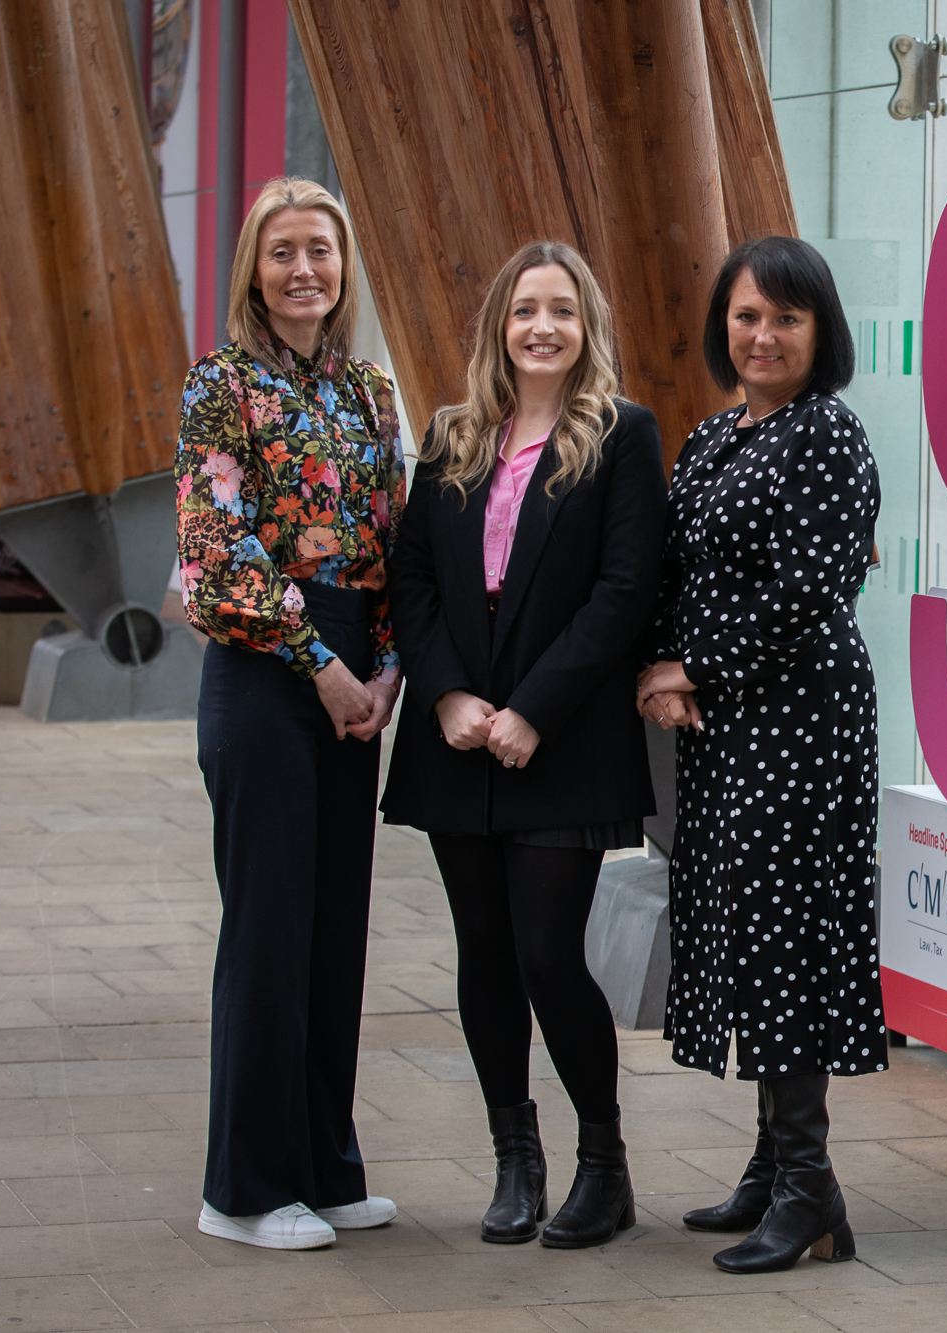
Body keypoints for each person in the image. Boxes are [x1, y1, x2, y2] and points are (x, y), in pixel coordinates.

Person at [382, 241, 665, 1249]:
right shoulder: (454, 436)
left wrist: (534, 707)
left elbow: (626, 588)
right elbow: (409, 577)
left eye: (562, 310)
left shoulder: (621, 435)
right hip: (458, 737)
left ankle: (603, 1165)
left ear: (585, 326)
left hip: (566, 738)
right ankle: (514, 1157)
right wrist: (449, 693)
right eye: (523, 310)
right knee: (484, 954)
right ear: (497, 325)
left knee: (550, 952)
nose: (541, 326)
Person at [639, 236, 885, 1274]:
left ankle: (806, 1188)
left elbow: (805, 592)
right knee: (744, 923)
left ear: (819, 332)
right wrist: (663, 660)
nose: (763, 334)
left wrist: (689, 666)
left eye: (785, 317)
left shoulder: (828, 435)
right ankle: (771, 1163)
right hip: (728, 721)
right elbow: (673, 568)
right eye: (746, 315)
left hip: (798, 717)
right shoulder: (711, 438)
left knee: (785, 929)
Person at [178, 177, 403, 1250]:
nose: (303, 268)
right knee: (267, 931)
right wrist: (322, 663)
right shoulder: (219, 385)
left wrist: (390, 665)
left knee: (331, 930)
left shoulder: (368, 391)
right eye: (282, 252)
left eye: (320, 249)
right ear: (252, 271)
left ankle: (323, 1160)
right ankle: (247, 1190)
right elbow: (216, 551)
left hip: (358, 674)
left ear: (344, 265)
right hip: (268, 673)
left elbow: (394, 540)